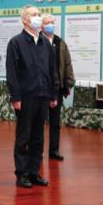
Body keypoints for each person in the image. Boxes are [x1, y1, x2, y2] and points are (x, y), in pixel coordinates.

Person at [6, 5, 59, 189]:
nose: (38, 18)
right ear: (25, 20)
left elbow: (52, 70)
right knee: (24, 136)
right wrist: (16, 96)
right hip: (26, 96)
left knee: (38, 137)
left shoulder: (45, 43)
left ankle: (34, 171)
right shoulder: (16, 42)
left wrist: (54, 93)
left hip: (44, 94)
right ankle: (22, 173)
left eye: (39, 14)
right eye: (34, 15)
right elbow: (12, 72)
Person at [40, 14, 75, 161]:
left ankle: (54, 150)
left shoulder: (60, 42)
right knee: (38, 123)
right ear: (41, 26)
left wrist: (68, 83)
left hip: (57, 88)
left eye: (52, 22)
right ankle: (37, 151)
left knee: (55, 122)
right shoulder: (37, 41)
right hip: (41, 88)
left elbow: (67, 63)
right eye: (47, 23)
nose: (50, 25)